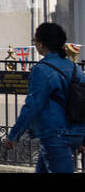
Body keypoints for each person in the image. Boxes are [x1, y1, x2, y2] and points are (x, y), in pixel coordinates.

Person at [5, 22, 85, 173]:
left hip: (56, 134)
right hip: (75, 132)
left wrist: (14, 134)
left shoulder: (42, 70)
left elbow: (32, 106)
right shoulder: (75, 68)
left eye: (36, 41)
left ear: (41, 44)